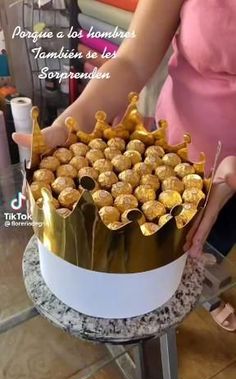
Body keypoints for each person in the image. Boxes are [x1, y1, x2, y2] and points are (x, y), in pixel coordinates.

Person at [13, 0, 236, 326]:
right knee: (145, 272)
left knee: (202, 258)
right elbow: (131, 61)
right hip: (170, 160)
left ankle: (207, 294)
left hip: (229, 182)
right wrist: (69, 123)